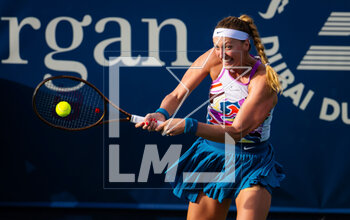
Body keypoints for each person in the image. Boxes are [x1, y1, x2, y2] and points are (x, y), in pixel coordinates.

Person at [135, 14, 285, 220]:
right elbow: (177, 95)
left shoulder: (263, 81)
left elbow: (236, 132)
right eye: (217, 47)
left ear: (246, 45)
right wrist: (161, 113)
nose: (222, 54)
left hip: (253, 162)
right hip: (213, 156)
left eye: (229, 47)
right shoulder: (213, 59)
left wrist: (188, 125)